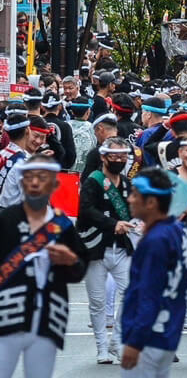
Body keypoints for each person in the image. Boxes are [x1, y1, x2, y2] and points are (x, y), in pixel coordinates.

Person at [0, 155, 88, 378]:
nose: (35, 183)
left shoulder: (62, 225)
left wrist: (71, 262)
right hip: (7, 315)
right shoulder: (6, 220)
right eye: (29, 177)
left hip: (48, 317)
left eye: (42, 177)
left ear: (55, 184)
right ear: (21, 182)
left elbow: (80, 267)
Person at [120, 168, 187, 378]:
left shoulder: (155, 241)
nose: (130, 198)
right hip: (169, 330)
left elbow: (149, 295)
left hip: (149, 335)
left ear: (151, 203)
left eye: (135, 194)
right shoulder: (180, 231)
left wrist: (135, 342)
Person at [79, 137, 136, 363]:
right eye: (115, 156)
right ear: (103, 157)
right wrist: (113, 224)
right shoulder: (93, 181)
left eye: (123, 156)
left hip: (121, 248)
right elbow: (86, 210)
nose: (119, 160)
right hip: (96, 248)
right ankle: (102, 347)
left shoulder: (127, 183)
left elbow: (132, 210)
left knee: (131, 293)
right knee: (98, 301)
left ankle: (116, 341)